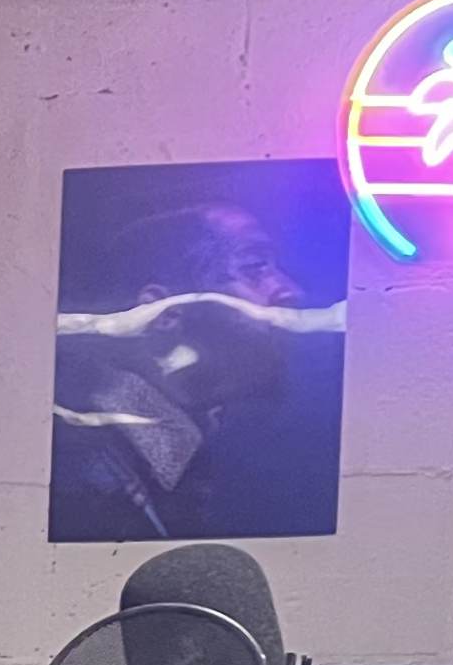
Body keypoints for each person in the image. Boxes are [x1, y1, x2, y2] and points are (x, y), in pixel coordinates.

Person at [51, 191, 346, 542]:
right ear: (164, 314)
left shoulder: (174, 464)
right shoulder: (87, 476)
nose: (290, 291)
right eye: (255, 267)